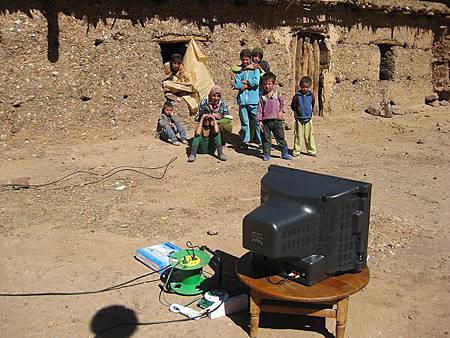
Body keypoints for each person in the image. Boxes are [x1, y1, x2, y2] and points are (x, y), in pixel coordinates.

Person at [257, 72, 292, 161]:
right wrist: (260, 121)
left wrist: (281, 111)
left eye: (269, 84)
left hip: (277, 120)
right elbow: (259, 110)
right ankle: (266, 154)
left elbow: (283, 104)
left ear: (273, 84)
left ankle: (285, 153)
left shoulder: (278, 94)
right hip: (265, 122)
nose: (267, 86)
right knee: (266, 138)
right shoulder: (262, 97)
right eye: (265, 84)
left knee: (280, 137)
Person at [234, 48, 261, 149]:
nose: (245, 61)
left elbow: (256, 82)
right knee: (245, 122)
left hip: (253, 100)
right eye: (243, 60)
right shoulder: (239, 71)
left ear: (250, 59)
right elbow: (236, 84)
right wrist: (244, 84)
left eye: (247, 59)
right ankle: (246, 141)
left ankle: (260, 141)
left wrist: (246, 84)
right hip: (242, 101)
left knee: (257, 121)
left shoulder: (256, 70)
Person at [291, 76, 317, 157]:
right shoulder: (297, 96)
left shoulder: (311, 96)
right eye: (303, 87)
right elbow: (293, 106)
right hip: (299, 119)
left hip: (308, 119)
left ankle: (311, 151)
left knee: (309, 136)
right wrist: (296, 114)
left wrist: (311, 112)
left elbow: (312, 104)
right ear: (300, 86)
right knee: (298, 136)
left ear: (309, 87)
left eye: (306, 87)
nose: (304, 89)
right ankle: (296, 151)